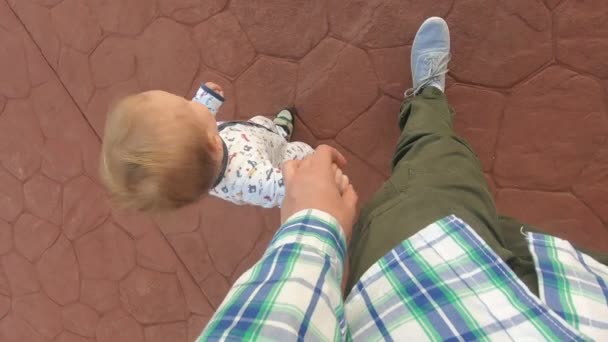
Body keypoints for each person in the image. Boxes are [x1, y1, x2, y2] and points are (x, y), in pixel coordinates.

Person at [198, 17, 608, 340]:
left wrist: (311, 224)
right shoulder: (241, 177)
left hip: (441, 286)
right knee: (442, 169)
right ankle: (428, 98)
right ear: (211, 149)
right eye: (195, 116)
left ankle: (420, 108)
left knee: (459, 194)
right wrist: (313, 215)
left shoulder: (208, 135)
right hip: (562, 297)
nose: (200, 110)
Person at [99, 83, 314, 211]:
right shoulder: (249, 178)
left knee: (265, 128)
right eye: (188, 104)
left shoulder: (200, 149)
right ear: (213, 142)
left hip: (256, 137)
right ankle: (305, 155)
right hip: (283, 162)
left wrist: (204, 102)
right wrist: (312, 181)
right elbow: (288, 190)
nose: (193, 102)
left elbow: (195, 124)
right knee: (302, 155)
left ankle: (279, 130)